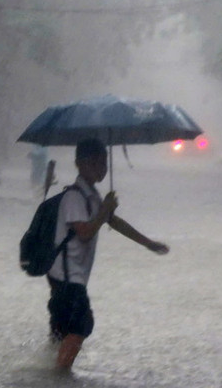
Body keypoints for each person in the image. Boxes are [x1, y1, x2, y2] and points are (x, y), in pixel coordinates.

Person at [46, 138, 169, 373]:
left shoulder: (91, 195)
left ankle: (49, 374)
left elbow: (115, 222)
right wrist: (103, 211)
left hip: (68, 275)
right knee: (81, 325)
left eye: (103, 163)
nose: (101, 169)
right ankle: (58, 377)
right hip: (66, 276)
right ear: (80, 164)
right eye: (95, 163)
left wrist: (148, 243)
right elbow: (84, 232)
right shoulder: (74, 197)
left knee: (62, 329)